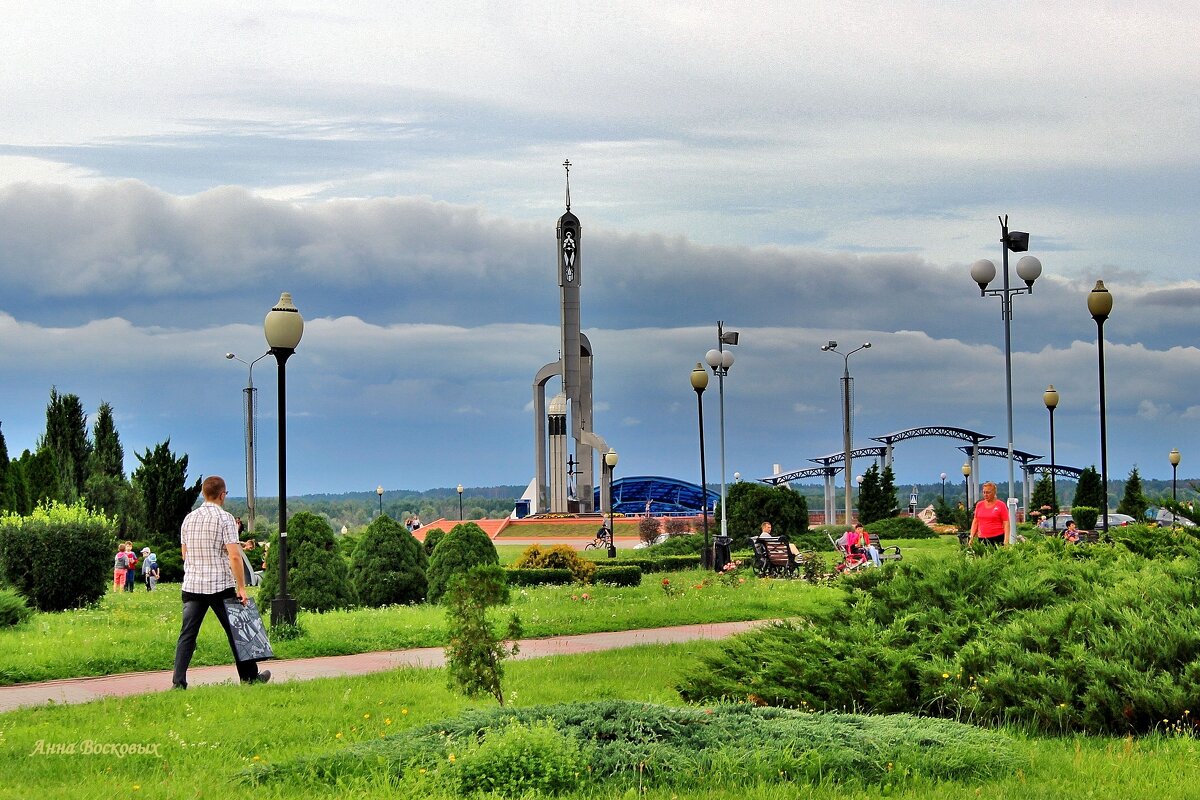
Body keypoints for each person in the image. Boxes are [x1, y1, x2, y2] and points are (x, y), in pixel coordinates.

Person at [172, 475, 269, 689]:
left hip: (193, 585)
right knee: (236, 631)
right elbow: (235, 555)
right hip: (219, 585)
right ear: (222, 495)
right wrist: (241, 587)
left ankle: (178, 682)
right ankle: (250, 677)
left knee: (187, 634)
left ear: (203, 493)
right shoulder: (225, 518)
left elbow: (184, 554)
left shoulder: (188, 519)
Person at [968, 481, 1010, 546]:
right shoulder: (979, 505)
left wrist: (1006, 540)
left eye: (988, 492)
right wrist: (971, 537)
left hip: (997, 538)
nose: (985, 494)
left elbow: (1006, 523)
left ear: (994, 492)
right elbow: (975, 521)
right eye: (984, 492)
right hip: (982, 538)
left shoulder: (1001, 505)